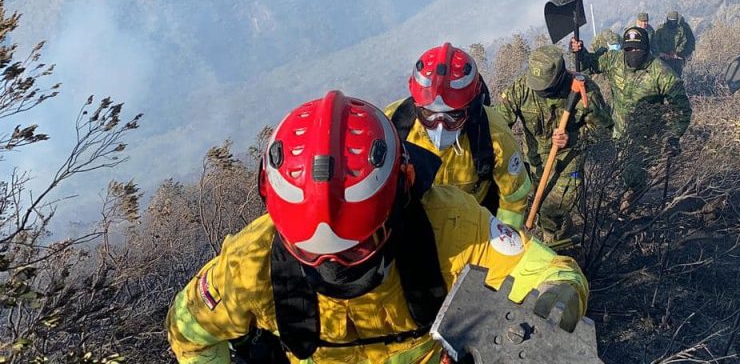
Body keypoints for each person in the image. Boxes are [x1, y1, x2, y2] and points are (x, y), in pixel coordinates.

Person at [166, 91, 588, 364]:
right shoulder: (250, 263)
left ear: (399, 200)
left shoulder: (448, 226)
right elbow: (190, 333)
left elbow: (551, 272)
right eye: (311, 254)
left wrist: (556, 301)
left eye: (355, 250)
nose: (333, 267)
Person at [384, 43, 531, 228]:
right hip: (414, 230)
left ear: (472, 108)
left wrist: (501, 241)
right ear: (416, 104)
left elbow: (514, 196)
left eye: (453, 116)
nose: (440, 127)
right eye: (429, 114)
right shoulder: (393, 125)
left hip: (472, 232)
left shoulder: (494, 134)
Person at [497, 45, 612, 243]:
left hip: (569, 158)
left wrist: (572, 138)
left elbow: (604, 131)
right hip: (535, 161)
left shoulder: (586, 92)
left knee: (553, 209)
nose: (541, 92)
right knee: (532, 204)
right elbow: (498, 122)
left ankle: (557, 248)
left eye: (547, 89)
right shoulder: (522, 88)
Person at [571, 27, 692, 205]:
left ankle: (630, 200)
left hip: (644, 134)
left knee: (632, 173)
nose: (633, 53)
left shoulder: (661, 73)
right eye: (629, 49)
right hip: (616, 127)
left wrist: (672, 135)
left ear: (646, 49)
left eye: (637, 49)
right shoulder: (615, 60)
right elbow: (593, 63)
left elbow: (682, 108)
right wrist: (580, 52)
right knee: (603, 164)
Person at [653, 11, 695, 75]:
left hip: (675, 59)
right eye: (670, 21)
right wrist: (661, 53)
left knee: (676, 77)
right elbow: (655, 42)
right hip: (662, 59)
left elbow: (683, 42)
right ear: (667, 19)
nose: (672, 23)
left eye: (674, 21)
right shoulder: (661, 29)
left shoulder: (680, 30)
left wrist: (676, 52)